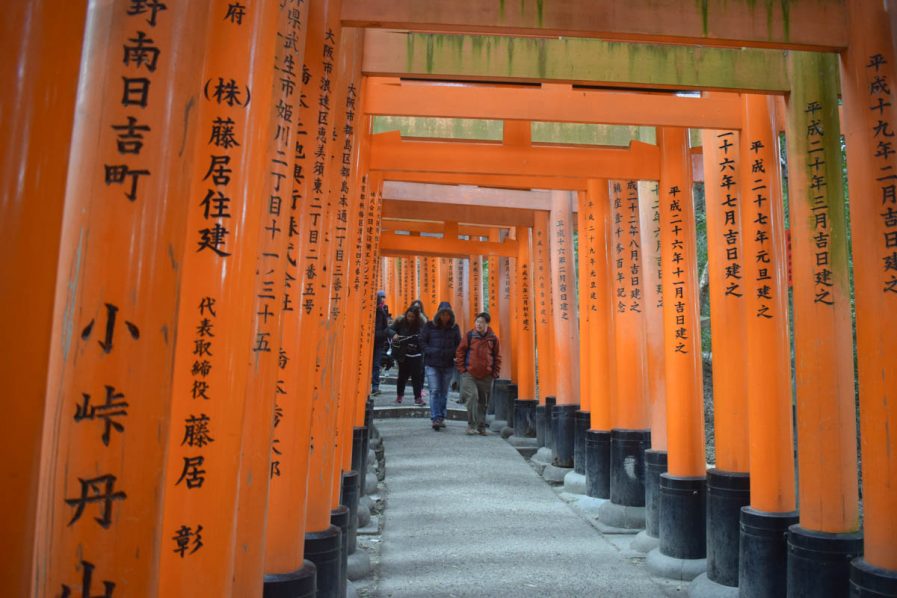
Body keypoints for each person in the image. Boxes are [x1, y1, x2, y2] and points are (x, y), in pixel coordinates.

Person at [454, 312, 501, 435]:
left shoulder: (493, 338)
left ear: (487, 324)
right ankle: (471, 425)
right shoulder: (469, 336)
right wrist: (462, 370)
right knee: (472, 397)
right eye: (477, 322)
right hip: (469, 373)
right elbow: (460, 352)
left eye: (482, 322)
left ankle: (481, 426)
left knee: (483, 402)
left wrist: (494, 373)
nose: (479, 324)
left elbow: (497, 357)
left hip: (486, 375)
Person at [421, 301, 461, 431]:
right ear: (438, 314)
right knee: (435, 390)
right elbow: (422, 341)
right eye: (442, 314)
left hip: (448, 364)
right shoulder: (429, 326)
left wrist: (452, 353)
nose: (445, 317)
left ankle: (442, 416)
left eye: (447, 314)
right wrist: (430, 351)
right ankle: (435, 418)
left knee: (444, 392)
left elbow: (459, 345)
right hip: (432, 363)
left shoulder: (455, 328)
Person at [387, 306, 425, 405]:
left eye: (412, 317)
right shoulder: (400, 321)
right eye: (408, 316)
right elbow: (389, 330)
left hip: (417, 355)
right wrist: (394, 334)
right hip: (403, 354)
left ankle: (418, 398)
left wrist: (419, 343)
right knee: (402, 376)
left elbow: (425, 337)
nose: (410, 318)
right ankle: (399, 396)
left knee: (416, 377)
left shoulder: (422, 324)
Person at [371, 291, 390, 396]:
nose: (382, 299)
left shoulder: (382, 312)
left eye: (384, 297)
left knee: (376, 365)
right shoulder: (380, 311)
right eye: (381, 298)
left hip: (377, 343)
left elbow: (385, 328)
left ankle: (375, 387)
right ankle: (373, 386)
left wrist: (382, 335)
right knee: (374, 365)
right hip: (371, 342)